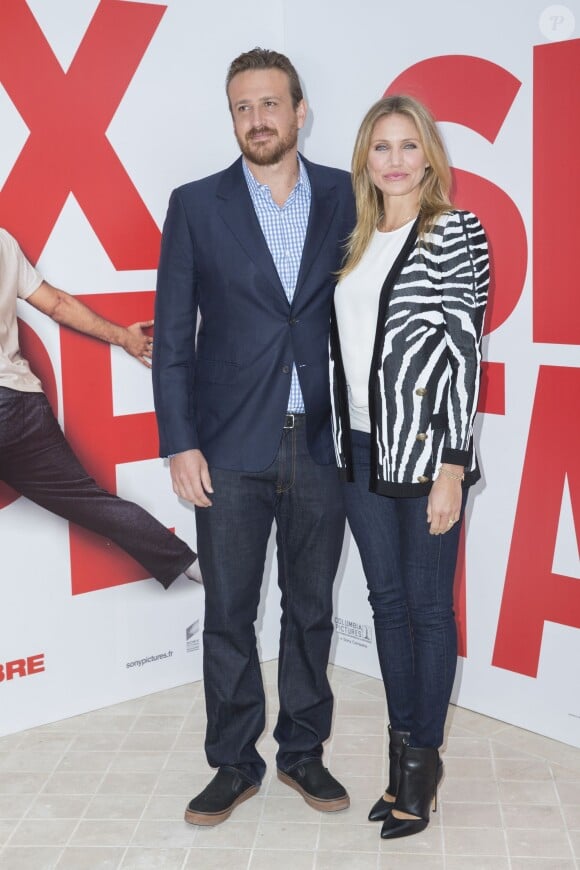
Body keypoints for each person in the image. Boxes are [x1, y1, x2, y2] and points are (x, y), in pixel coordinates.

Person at [153, 47, 356, 825]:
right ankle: (234, 763)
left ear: (300, 112)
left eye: (271, 104)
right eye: (243, 106)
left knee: (310, 610)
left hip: (323, 443)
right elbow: (174, 336)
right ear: (232, 116)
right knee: (230, 614)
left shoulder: (347, 195)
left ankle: (303, 753)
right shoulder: (197, 205)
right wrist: (181, 440)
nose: (258, 119)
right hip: (229, 446)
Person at [330, 95, 489, 839]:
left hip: (426, 457)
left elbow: (466, 357)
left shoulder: (455, 233)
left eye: (407, 146)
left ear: (429, 156)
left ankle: (422, 769)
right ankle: (400, 758)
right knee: (388, 607)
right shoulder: (357, 239)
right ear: (367, 157)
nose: (394, 160)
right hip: (358, 452)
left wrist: (454, 467)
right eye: (381, 147)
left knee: (428, 610)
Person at [0, 228, 200, 588]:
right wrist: (123, 336)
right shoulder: (1, 240)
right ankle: (190, 563)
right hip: (19, 402)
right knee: (91, 502)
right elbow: (57, 304)